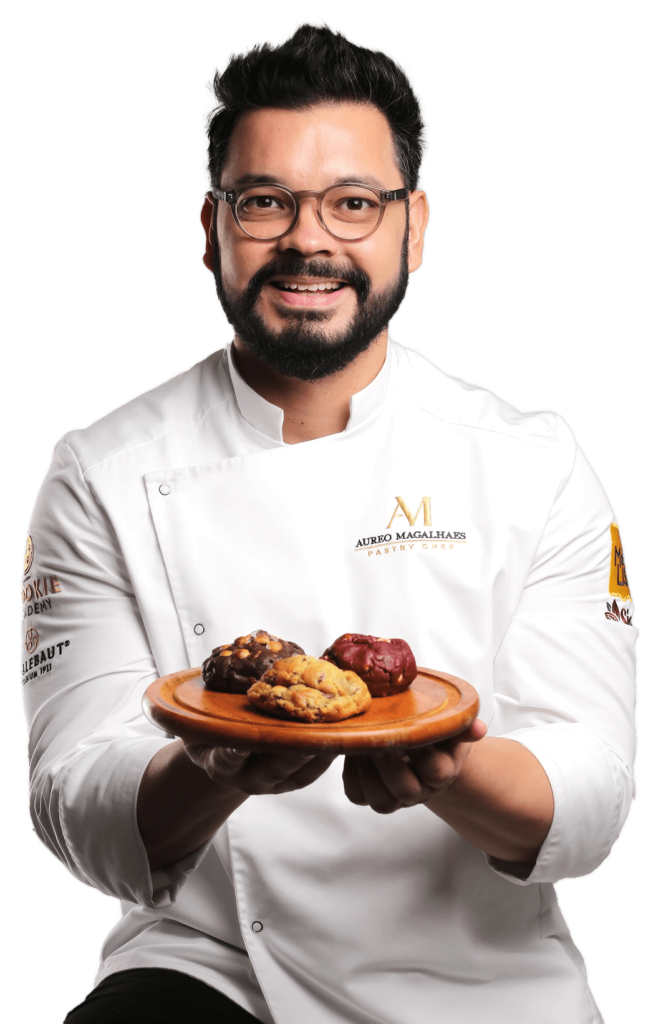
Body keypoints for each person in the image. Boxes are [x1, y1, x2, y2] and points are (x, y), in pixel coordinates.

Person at [22, 23, 638, 1024]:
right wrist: (219, 766)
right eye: (265, 201)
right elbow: (74, 803)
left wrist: (449, 770)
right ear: (211, 228)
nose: (309, 240)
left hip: (479, 984)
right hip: (209, 966)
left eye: (353, 202)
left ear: (412, 226)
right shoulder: (99, 471)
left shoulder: (530, 462)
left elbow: (593, 790)